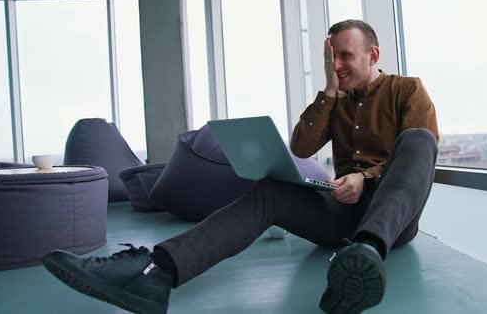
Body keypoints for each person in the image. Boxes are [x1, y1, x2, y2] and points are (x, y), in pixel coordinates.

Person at [43, 19, 439, 314]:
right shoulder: (335, 97)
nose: (336, 64)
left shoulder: (407, 89)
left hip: (392, 219)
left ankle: (367, 253)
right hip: (341, 212)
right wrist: (329, 93)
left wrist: (366, 176)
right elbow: (301, 145)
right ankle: (154, 272)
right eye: (331, 57)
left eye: (345, 56)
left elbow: (421, 159)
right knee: (268, 192)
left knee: (418, 139)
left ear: (373, 56)